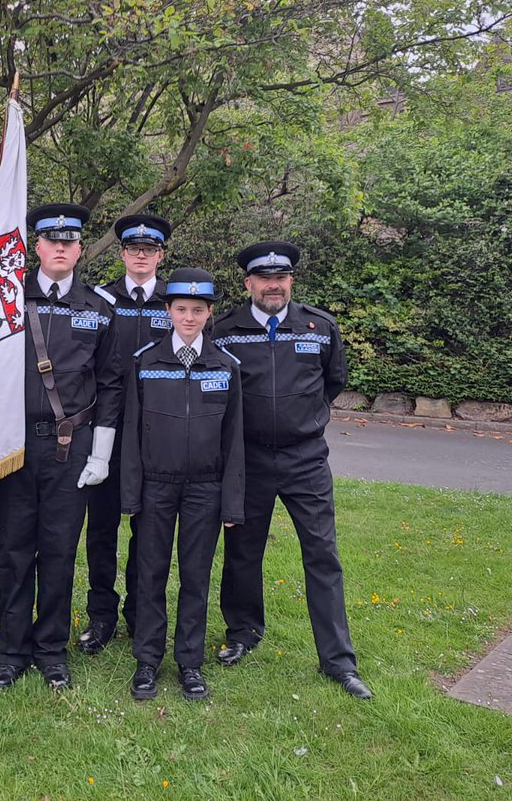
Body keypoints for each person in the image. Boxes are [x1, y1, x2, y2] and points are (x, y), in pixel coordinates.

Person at [210, 241, 373, 700]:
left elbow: (332, 381)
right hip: (249, 459)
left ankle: (338, 661)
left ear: (290, 282)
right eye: (264, 279)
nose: (273, 286)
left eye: (280, 278)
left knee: (322, 555)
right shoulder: (225, 330)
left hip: (305, 460)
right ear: (249, 284)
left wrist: (304, 421)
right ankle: (242, 633)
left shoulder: (320, 327)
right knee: (243, 551)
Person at [0, 204, 123, 692]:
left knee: (61, 551)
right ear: (36, 248)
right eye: (51, 241)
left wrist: (103, 453)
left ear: (80, 249)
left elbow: (110, 384)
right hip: (14, 446)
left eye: (70, 241)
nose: (61, 248)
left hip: (72, 448)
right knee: (15, 551)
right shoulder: (3, 301)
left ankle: (51, 651)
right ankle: (12, 651)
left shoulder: (99, 308)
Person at [121, 268, 244, 701]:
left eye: (197, 310)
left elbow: (234, 439)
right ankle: (147, 661)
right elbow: (132, 433)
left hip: (205, 490)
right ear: (168, 311)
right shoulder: (146, 362)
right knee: (150, 573)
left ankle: (190, 663)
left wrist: (231, 503)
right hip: (156, 485)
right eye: (180, 309)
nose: (188, 317)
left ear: (209, 313)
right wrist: (130, 493)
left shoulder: (226, 366)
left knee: (195, 576)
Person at [78, 213, 173, 655]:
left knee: (149, 532)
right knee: (100, 530)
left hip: (156, 436)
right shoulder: (100, 301)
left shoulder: (176, 306)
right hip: (106, 433)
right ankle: (101, 616)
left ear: (160, 255)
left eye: (149, 250)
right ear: (121, 254)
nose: (141, 256)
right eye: (133, 249)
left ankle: (140, 612)